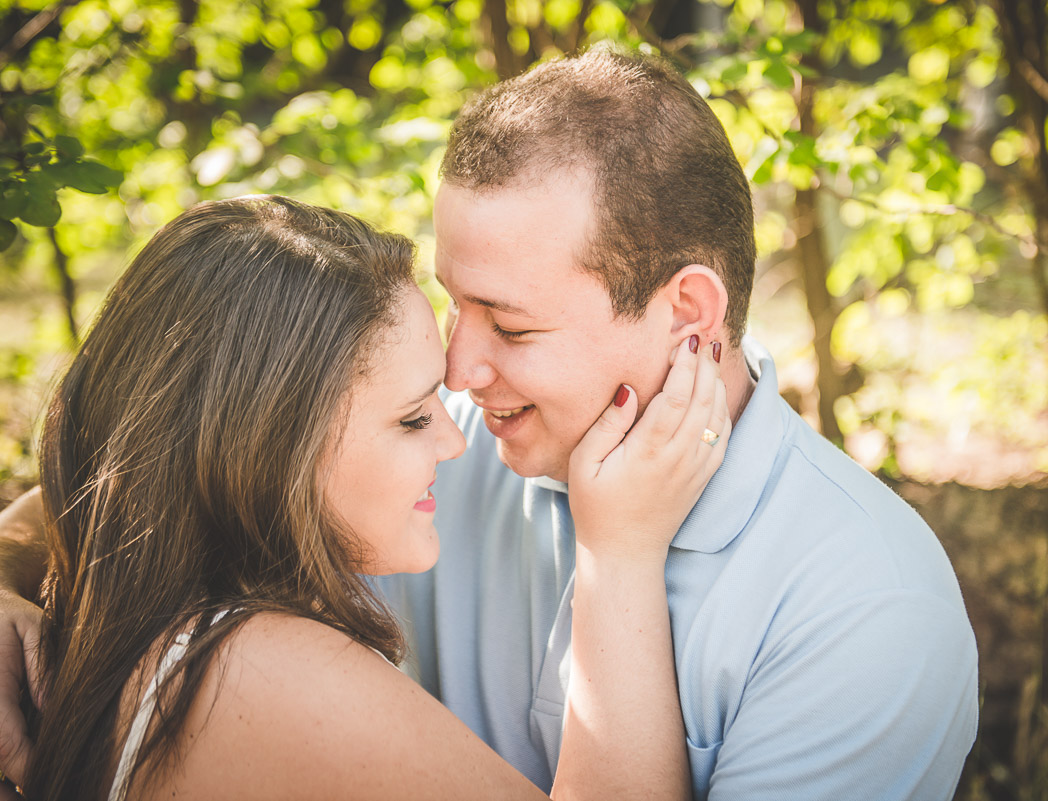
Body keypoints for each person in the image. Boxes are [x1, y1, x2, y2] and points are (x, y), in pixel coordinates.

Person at [0, 47, 979, 800]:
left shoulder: (865, 610)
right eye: (454, 303)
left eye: (511, 324)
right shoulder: (397, 445)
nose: (461, 374)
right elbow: (140, 485)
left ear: (689, 315)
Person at [0, 194, 729, 800]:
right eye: (413, 417)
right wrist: (622, 551)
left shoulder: (162, 619)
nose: (454, 440)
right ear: (266, 450)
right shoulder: (257, 669)